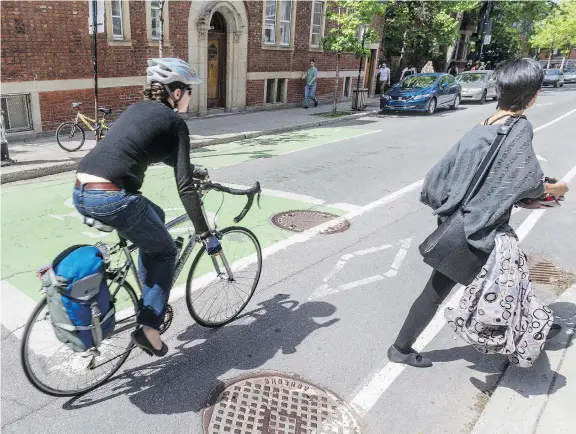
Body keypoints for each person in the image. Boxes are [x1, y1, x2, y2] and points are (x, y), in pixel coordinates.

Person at [387, 58, 569, 368]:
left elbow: (436, 181)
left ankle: (537, 324)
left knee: (513, 276)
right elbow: (527, 182)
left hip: (459, 223)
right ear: (534, 95)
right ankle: (400, 349)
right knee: (472, 284)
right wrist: (559, 189)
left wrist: (455, 207)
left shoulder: (481, 127)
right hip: (479, 231)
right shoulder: (519, 128)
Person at [74, 58, 222, 357]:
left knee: (157, 216)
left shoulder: (136, 110)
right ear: (176, 92)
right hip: (113, 198)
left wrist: (193, 169)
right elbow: (184, 187)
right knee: (166, 250)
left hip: (81, 190)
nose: (191, 97)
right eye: (189, 91)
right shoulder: (176, 123)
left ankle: (149, 290)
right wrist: (204, 232)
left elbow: (154, 152)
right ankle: (149, 329)